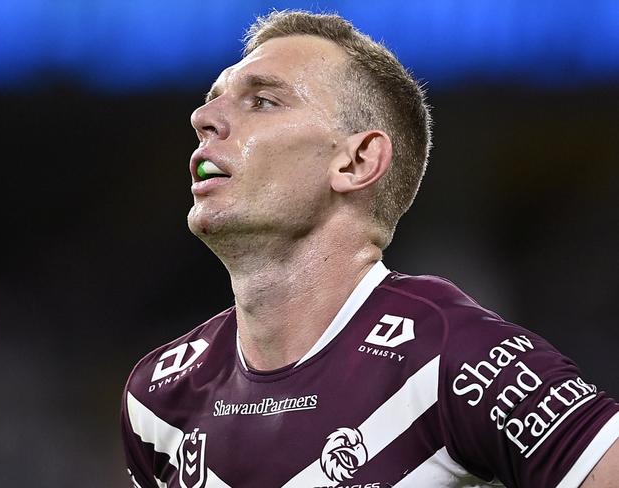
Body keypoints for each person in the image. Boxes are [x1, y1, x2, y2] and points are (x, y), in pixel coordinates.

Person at [121, 10, 618, 488]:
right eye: (214, 99)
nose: (202, 117)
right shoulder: (158, 399)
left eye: (263, 101)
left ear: (357, 162)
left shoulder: (455, 357)